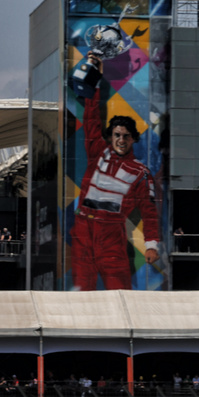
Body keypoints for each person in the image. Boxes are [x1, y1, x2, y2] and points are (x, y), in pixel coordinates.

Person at [70, 54, 160, 291]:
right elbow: (91, 117)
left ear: (133, 139)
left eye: (126, 136)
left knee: (120, 292)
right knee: (80, 292)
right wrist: (96, 79)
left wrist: (152, 246)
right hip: (83, 229)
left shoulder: (140, 173)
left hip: (111, 234)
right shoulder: (98, 150)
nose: (121, 140)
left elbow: (149, 213)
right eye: (117, 135)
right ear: (110, 137)